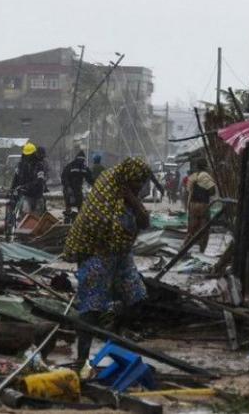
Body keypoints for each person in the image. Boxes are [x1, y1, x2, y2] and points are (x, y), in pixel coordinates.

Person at [63, 157, 152, 378]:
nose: (140, 187)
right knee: (91, 306)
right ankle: (81, 359)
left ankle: (116, 344)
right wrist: (132, 206)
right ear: (128, 178)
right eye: (137, 182)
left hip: (120, 254)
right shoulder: (106, 189)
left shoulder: (126, 193)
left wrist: (132, 199)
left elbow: (143, 221)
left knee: (137, 296)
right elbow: (106, 228)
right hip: (95, 254)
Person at [186, 158, 217, 253]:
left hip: (192, 205)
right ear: (205, 166)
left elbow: (188, 191)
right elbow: (212, 191)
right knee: (204, 230)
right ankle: (201, 251)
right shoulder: (205, 176)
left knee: (191, 230)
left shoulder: (192, 176)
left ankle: (184, 249)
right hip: (203, 206)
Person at [10, 142, 47, 216]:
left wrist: (26, 186)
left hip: (37, 195)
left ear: (34, 154)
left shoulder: (39, 166)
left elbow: (40, 181)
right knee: (25, 217)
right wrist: (12, 190)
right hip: (25, 195)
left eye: (29, 155)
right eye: (26, 155)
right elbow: (16, 179)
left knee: (37, 218)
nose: (28, 157)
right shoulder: (21, 166)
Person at [61, 150, 94, 223]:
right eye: (80, 159)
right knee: (68, 205)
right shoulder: (70, 166)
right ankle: (67, 221)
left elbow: (89, 178)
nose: (81, 161)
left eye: (82, 160)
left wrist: (95, 184)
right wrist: (68, 187)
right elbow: (64, 177)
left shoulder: (84, 167)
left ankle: (78, 221)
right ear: (77, 159)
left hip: (78, 189)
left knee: (80, 205)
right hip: (69, 189)